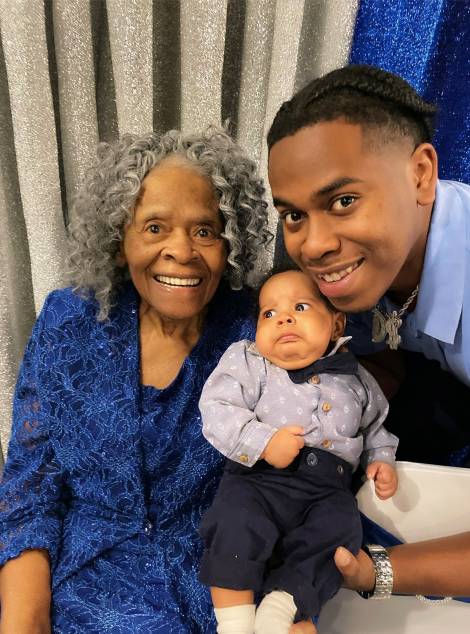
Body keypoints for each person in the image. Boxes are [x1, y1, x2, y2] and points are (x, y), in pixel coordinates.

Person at [0, 126, 272, 633]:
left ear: (231, 242)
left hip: (219, 600)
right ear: (119, 239)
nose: (182, 251)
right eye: (154, 227)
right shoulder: (69, 322)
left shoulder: (260, 332)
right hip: (79, 593)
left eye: (205, 231)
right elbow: (29, 492)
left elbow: (295, 481)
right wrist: (24, 621)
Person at [265, 64, 470, 632]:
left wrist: (370, 571)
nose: (314, 244)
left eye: (344, 201)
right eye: (293, 215)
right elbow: (377, 360)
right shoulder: (357, 261)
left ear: (421, 174)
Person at [198, 269, 398, 634]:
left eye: (300, 307)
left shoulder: (357, 378)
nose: (284, 319)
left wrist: (382, 460)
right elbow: (217, 409)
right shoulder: (250, 361)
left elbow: (375, 427)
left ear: (336, 325)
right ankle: (234, 622)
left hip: (328, 491)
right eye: (269, 313)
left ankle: (283, 604)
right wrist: (264, 441)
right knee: (235, 522)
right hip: (258, 480)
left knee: (341, 530)